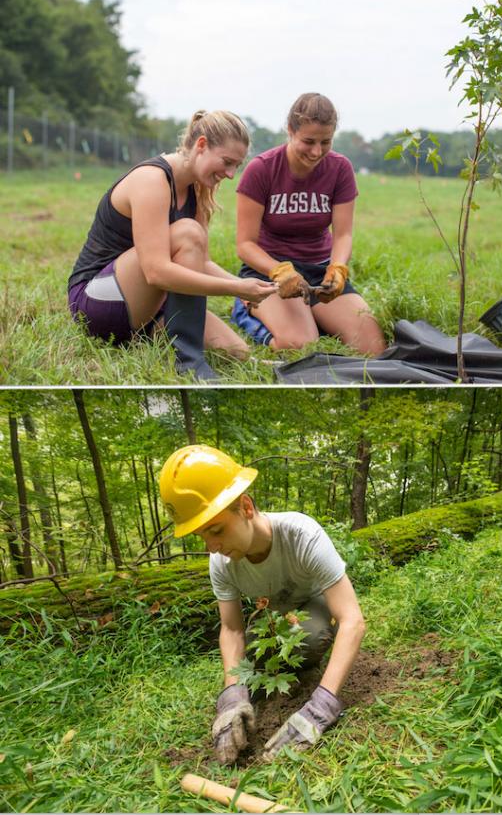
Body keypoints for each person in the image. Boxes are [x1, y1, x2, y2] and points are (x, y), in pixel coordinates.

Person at [159, 444, 366, 764]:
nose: (212, 546)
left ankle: (310, 671)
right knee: (252, 656)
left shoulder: (302, 535)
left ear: (245, 506)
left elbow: (352, 619)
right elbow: (230, 629)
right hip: (269, 619)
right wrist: (231, 696)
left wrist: (321, 706)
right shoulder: (221, 562)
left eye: (216, 530)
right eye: (202, 536)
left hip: (311, 609)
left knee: (309, 638)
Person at [67, 110, 277, 381]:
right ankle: (188, 363)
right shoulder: (152, 179)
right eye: (227, 162)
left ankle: (156, 338)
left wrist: (246, 292)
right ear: (201, 145)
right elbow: (156, 271)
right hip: (97, 302)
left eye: (236, 166)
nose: (230, 174)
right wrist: (235, 287)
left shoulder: (197, 188)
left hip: (149, 305)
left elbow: (202, 263)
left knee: (237, 352)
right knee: (187, 232)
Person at [233, 92, 387, 355]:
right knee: (300, 345)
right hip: (270, 272)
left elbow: (342, 235)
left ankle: (311, 313)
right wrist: (279, 271)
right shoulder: (262, 169)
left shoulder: (340, 169)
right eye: (308, 141)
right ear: (291, 130)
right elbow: (245, 244)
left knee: (373, 348)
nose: (317, 151)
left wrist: (337, 268)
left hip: (318, 272)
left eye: (325, 142)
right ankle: (245, 307)